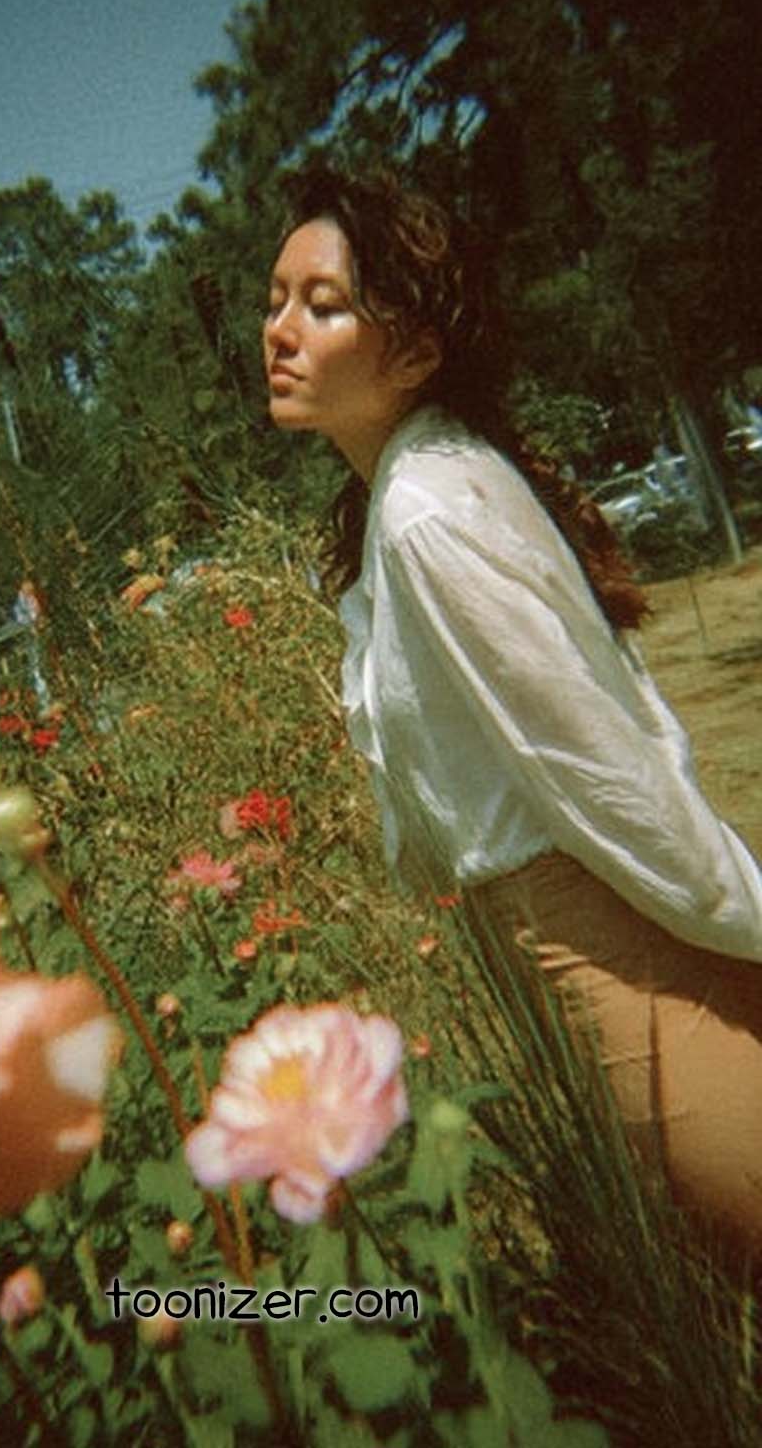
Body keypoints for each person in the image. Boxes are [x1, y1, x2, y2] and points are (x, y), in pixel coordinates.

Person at [262, 166, 762, 1248]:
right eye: (276, 300)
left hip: (603, 952)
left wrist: (745, 926)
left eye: (323, 304)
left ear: (415, 352)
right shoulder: (424, 482)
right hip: (575, 940)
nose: (280, 329)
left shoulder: (426, 509)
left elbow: (600, 764)